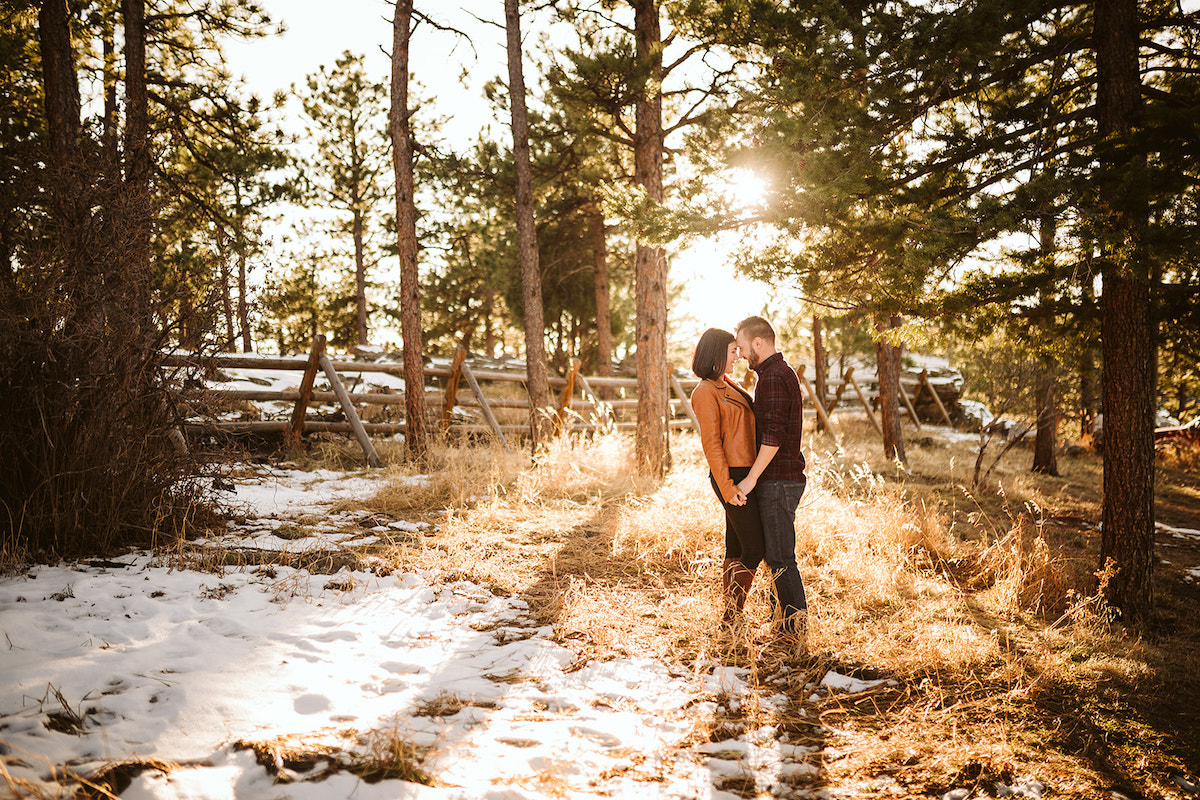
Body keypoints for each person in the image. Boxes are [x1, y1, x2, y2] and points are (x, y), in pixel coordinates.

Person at [733, 316, 809, 652]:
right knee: (776, 556)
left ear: (758, 343)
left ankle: (793, 634)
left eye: (743, 346)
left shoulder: (775, 377)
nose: (741, 353)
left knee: (781, 558)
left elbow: (774, 435)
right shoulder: (772, 375)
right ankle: (783, 624)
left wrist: (751, 478)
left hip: (778, 479)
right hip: (778, 478)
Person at [690, 328, 764, 626]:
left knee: (735, 546)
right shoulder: (705, 392)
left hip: (747, 472)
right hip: (731, 476)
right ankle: (732, 616)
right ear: (717, 354)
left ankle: (731, 616)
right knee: (754, 547)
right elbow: (712, 444)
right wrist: (727, 485)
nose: (738, 355)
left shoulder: (727, 384)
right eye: (733, 350)